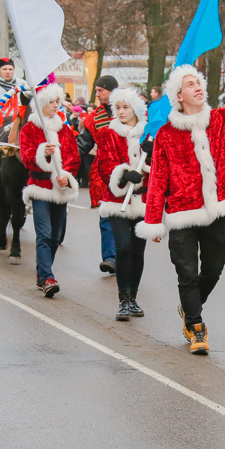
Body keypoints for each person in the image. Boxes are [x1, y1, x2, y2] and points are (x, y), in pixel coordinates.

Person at [136, 51, 225, 354]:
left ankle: (189, 307)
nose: (198, 88)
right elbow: (158, 180)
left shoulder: (220, 120)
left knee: (214, 266)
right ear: (178, 95)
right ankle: (196, 327)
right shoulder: (165, 135)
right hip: (181, 215)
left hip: (215, 211)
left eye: (199, 83)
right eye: (190, 85)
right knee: (186, 272)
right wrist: (154, 220)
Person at [20, 80, 81, 297]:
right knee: (44, 234)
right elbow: (27, 158)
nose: (56, 105)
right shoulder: (29, 129)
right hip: (39, 188)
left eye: (57, 101)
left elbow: (74, 158)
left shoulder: (64, 130)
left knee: (55, 236)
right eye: (51, 102)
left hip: (60, 189)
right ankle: (47, 277)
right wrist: (42, 153)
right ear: (41, 104)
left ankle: (41, 273)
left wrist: (66, 177)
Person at [96, 87, 151, 320]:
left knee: (138, 250)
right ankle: (122, 299)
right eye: (117, 107)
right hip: (116, 199)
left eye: (125, 107)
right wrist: (123, 173)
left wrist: (151, 157)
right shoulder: (109, 134)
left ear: (135, 109)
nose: (120, 111)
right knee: (123, 247)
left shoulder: (148, 135)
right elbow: (104, 164)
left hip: (141, 200)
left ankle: (133, 299)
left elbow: (161, 166)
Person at [78, 74, 119, 274]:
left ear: (112, 91)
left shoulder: (129, 111)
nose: (97, 94)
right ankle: (110, 257)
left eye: (100, 90)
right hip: (103, 172)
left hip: (128, 169)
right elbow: (83, 145)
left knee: (128, 214)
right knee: (106, 214)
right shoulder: (94, 117)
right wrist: (67, 165)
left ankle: (125, 255)